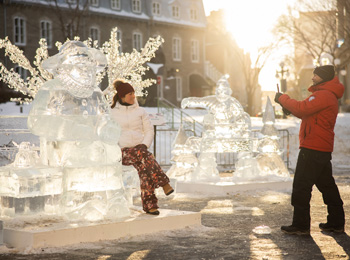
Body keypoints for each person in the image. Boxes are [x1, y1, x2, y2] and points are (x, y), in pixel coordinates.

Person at [274, 64, 345, 235]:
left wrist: (282, 99)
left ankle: (301, 225)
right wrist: (289, 109)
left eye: (316, 75)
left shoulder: (324, 95)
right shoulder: (326, 95)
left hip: (313, 147)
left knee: (301, 186)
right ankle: (336, 222)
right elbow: (305, 112)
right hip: (320, 147)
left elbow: (302, 108)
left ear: (324, 77)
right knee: (327, 186)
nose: (313, 78)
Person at [110, 79, 174, 215]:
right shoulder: (112, 113)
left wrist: (144, 145)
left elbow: (149, 131)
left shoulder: (140, 112)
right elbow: (107, 132)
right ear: (122, 97)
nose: (133, 96)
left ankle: (150, 206)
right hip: (122, 152)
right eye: (130, 94)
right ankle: (164, 183)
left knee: (145, 169)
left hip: (141, 150)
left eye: (133, 93)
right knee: (145, 156)